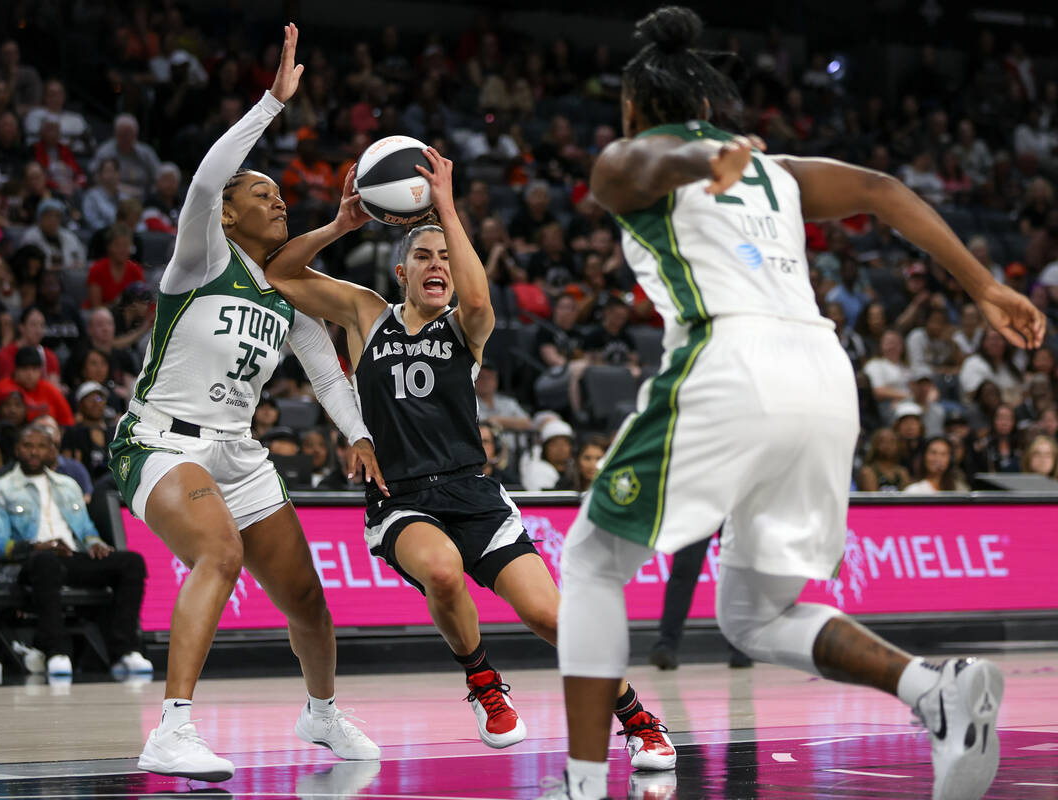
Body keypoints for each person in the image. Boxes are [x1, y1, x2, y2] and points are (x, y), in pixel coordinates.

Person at [542, 8, 1044, 799]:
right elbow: (880, 190)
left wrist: (702, 157)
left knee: (593, 562)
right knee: (753, 616)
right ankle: (932, 690)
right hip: (822, 372)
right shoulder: (772, 169)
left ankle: (577, 785)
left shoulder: (630, 157)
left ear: (636, 108)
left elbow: (631, 164)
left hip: (731, 359)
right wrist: (983, 285)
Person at [263, 143, 674, 768]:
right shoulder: (365, 314)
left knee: (551, 617)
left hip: (472, 492)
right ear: (400, 272)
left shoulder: (464, 327)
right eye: (421, 257)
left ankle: (636, 717)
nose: (436, 265)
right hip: (400, 497)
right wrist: (341, 225)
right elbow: (282, 275)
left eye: (444, 259)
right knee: (445, 571)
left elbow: (480, 303)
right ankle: (484, 684)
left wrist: (448, 212)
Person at [105, 26, 381, 781]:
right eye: (262, 193)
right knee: (218, 555)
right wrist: (270, 104)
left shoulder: (289, 295)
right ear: (228, 216)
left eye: (282, 194)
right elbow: (203, 181)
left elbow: (326, 374)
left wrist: (357, 433)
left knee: (308, 603)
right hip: (161, 442)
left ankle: (321, 715)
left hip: (238, 451)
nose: (277, 200)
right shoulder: (202, 256)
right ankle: (172, 728)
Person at [0, 423, 150, 679]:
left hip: (71, 557)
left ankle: (125, 650)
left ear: (53, 451)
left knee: (132, 563)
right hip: (29, 562)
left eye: (41, 446)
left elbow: (86, 530)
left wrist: (96, 544)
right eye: (28, 446)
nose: (34, 452)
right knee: (46, 562)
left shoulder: (68, 485)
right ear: (17, 450)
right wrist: (34, 547)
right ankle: (56, 651)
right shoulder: (2, 488)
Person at [0, 348, 74, 426]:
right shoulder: (2, 388)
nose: (30, 374)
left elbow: (67, 421)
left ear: (40, 371)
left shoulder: (49, 389)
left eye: (34, 369)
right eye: (25, 369)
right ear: (15, 370)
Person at [0, 306, 62, 383]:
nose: (38, 331)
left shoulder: (49, 356)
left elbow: (54, 387)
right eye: (33, 325)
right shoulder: (6, 355)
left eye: (42, 325)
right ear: (21, 327)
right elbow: (7, 387)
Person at [86, 224, 144, 308]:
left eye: (126, 245)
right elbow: (96, 306)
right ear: (108, 247)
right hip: (100, 317)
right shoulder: (97, 269)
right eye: (118, 245)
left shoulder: (135, 269)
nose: (123, 250)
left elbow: (143, 302)